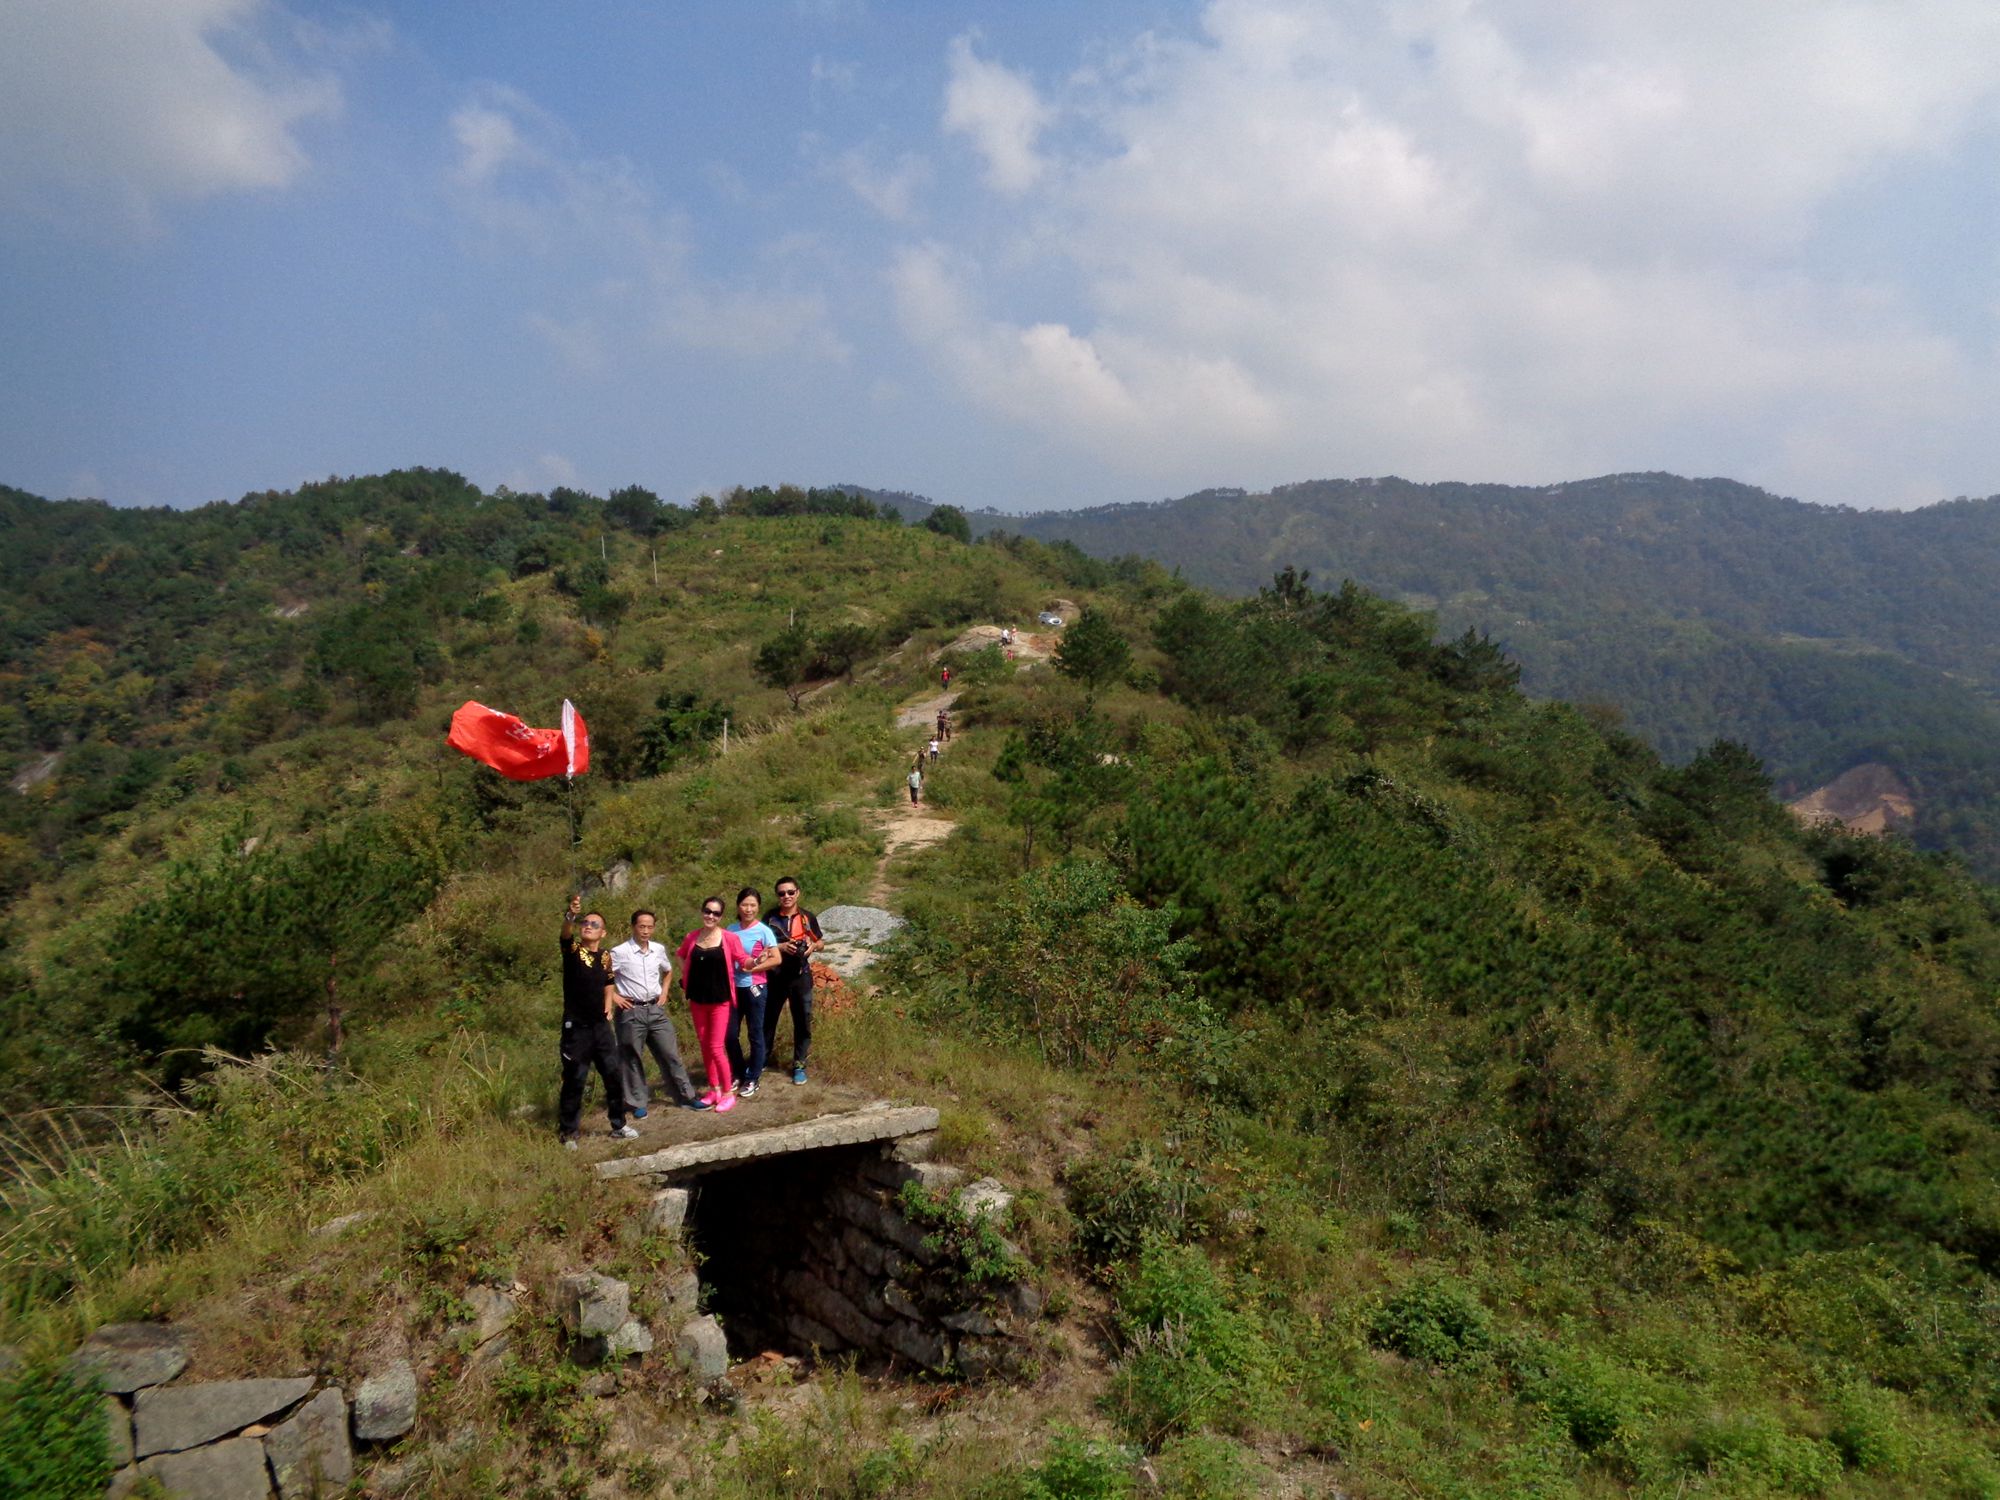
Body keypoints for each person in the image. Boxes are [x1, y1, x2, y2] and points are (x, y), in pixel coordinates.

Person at [610, 909, 710, 1114]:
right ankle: (637, 1102)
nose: (646, 931)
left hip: (655, 1009)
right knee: (632, 1057)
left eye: (649, 927)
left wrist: (664, 990)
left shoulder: (657, 949)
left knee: (670, 1054)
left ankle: (687, 1096)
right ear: (633, 927)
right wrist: (615, 997)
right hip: (631, 1011)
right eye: (641, 926)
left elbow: (668, 970)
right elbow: (603, 978)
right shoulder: (619, 952)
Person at [558, 894, 635, 1147]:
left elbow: (608, 981)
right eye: (585, 923)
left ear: (603, 933)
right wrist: (571, 915)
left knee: (612, 1074)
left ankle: (619, 1124)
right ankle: (569, 1133)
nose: (588, 926)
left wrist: (608, 1005)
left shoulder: (604, 956)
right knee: (575, 1079)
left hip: (601, 1028)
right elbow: (566, 934)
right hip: (577, 1029)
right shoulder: (573, 951)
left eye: (594, 924)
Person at [676, 896, 755, 1112]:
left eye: (716, 913)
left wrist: (756, 961)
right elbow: (680, 955)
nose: (710, 916)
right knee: (704, 1045)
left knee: (716, 1046)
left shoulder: (728, 938)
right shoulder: (692, 937)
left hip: (720, 1001)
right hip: (698, 1000)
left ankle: (728, 1092)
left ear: (721, 916)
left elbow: (743, 960)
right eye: (707, 911)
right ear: (702, 912)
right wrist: (686, 976)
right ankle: (714, 1089)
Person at [763, 876, 823, 1085]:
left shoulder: (807, 917)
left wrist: (812, 946)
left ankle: (799, 1064)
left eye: (790, 892)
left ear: (798, 892)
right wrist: (780, 947)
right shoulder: (770, 918)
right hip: (775, 976)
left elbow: (821, 941)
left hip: (801, 976)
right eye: (781, 893)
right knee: (768, 1019)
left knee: (802, 1021)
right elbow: (760, 945)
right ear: (777, 896)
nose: (786, 896)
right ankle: (762, 1058)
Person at [724, 887, 780, 1098]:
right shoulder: (730, 929)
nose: (748, 909)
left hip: (755, 987)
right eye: (745, 905)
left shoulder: (764, 931)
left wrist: (752, 968)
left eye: (753, 905)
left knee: (755, 1033)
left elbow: (776, 959)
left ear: (758, 907)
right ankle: (738, 1072)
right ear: (738, 906)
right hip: (733, 989)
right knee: (730, 1035)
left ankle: (753, 1077)